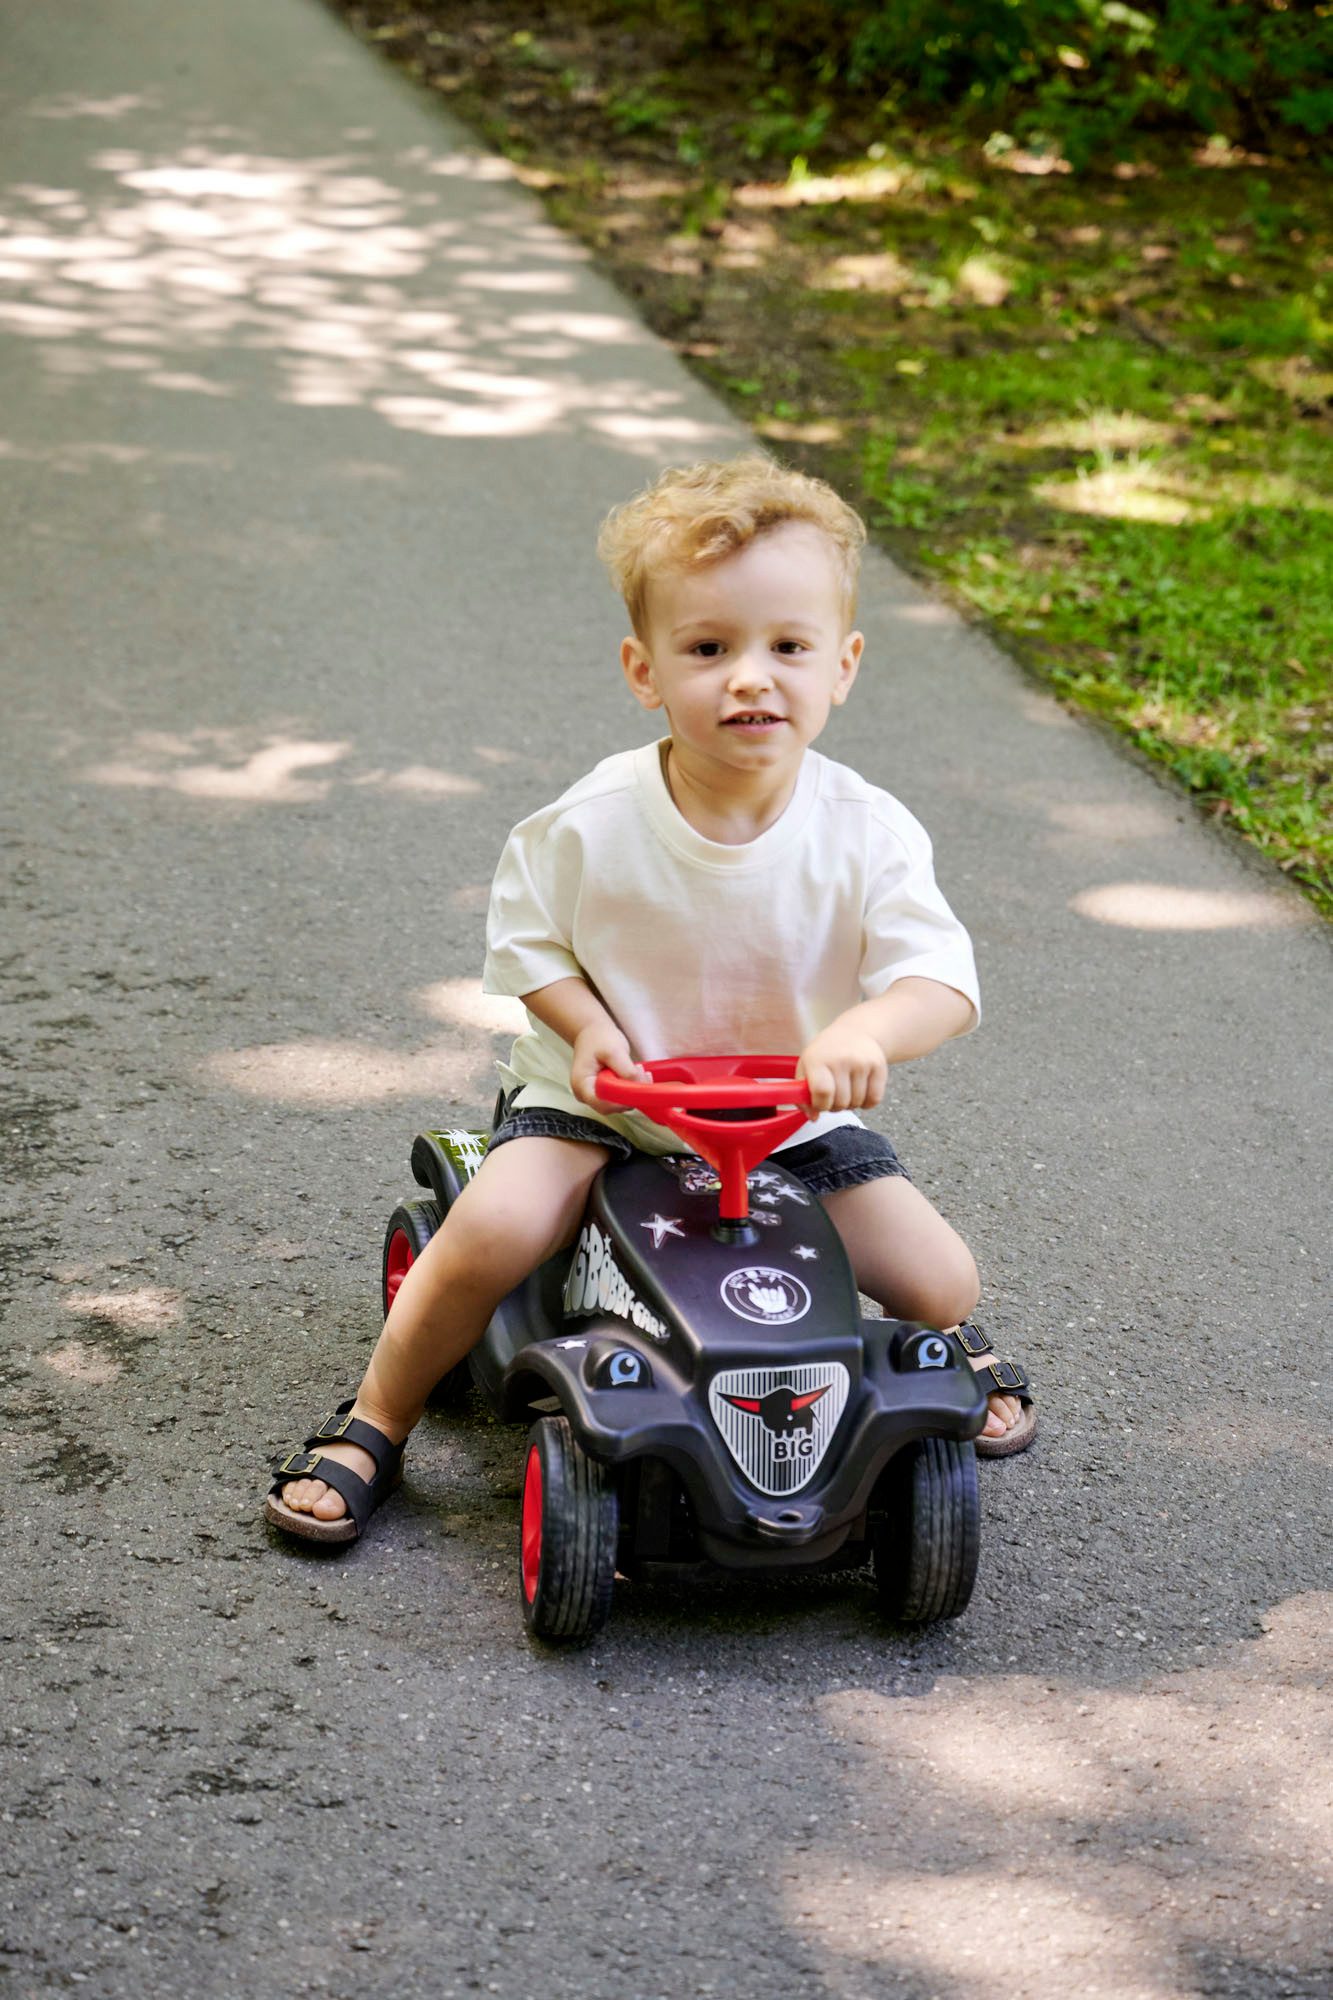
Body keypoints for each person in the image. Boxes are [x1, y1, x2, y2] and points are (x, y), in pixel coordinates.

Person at [266, 455, 1034, 1544]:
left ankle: (927, 1357)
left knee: (939, 1277)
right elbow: (527, 943)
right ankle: (376, 1418)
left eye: (788, 646)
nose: (749, 679)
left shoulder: (866, 831)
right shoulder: (592, 821)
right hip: (608, 1105)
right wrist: (586, 1028)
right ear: (646, 669)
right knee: (494, 1226)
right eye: (709, 647)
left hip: (790, 1119)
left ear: (844, 665)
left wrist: (869, 1027)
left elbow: (939, 978)